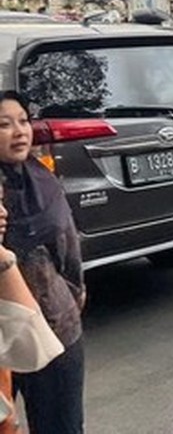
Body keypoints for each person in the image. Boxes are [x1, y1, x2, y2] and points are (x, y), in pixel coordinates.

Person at [0, 91, 85, 433]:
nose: (19, 131)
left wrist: (74, 291)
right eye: (4, 125)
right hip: (6, 332)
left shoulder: (42, 179)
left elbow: (67, 242)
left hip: (55, 327)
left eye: (23, 121)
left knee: (61, 426)